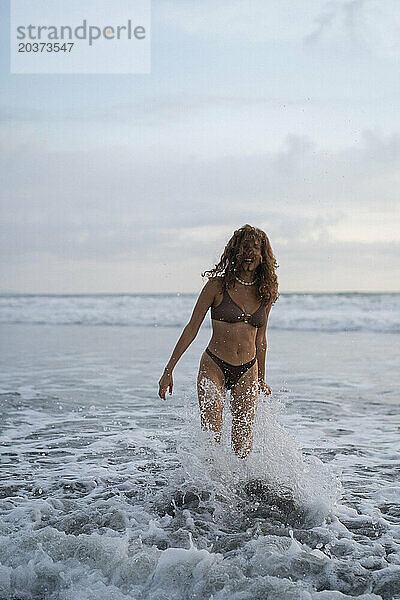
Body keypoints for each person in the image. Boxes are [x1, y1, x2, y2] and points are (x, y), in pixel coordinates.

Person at [158, 224, 279, 458]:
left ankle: (239, 490)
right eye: (245, 247)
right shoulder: (216, 286)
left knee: (243, 445)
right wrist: (168, 370)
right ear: (235, 252)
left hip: (248, 370)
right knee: (211, 439)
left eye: (256, 248)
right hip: (214, 366)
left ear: (263, 256)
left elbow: (261, 340)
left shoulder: (266, 292)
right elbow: (192, 328)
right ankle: (211, 491)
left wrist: (262, 379)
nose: (250, 253)